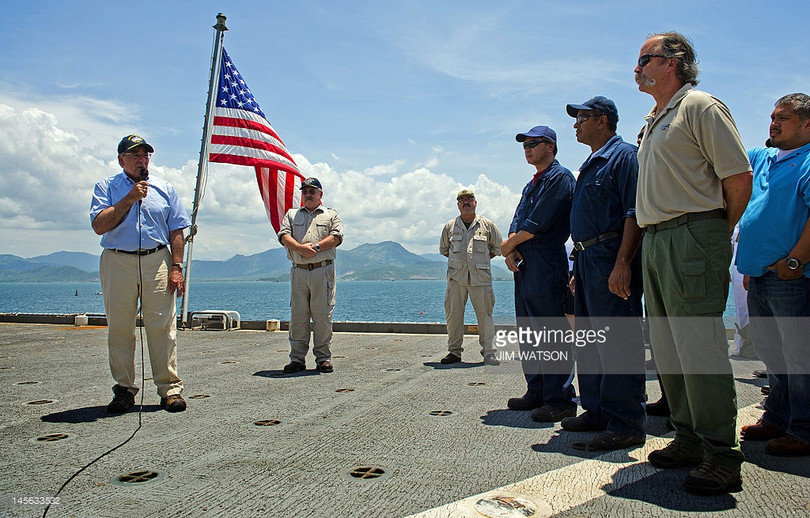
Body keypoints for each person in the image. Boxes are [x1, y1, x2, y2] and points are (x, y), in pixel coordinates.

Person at [633, 32, 752, 495]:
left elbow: (737, 178)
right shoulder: (655, 118)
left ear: (673, 62)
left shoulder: (700, 106)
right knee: (668, 348)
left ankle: (722, 455)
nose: (637, 68)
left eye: (645, 59)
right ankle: (687, 438)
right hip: (657, 238)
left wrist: (713, 234)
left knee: (700, 349)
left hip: (692, 233)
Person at [563, 96, 646, 451]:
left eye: (582, 117)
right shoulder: (592, 162)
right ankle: (597, 410)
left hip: (610, 256)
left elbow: (633, 212)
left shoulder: (624, 156)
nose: (576, 124)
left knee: (617, 343)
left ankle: (626, 423)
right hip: (586, 261)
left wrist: (623, 263)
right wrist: (576, 267)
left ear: (603, 121)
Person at [90, 135, 190, 414]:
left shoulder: (165, 188)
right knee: (120, 327)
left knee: (162, 327)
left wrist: (176, 267)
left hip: (157, 259)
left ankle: (169, 389)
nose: (141, 160)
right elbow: (99, 225)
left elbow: (177, 231)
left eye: (145, 155)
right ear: (121, 159)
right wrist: (130, 198)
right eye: (134, 155)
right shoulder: (106, 187)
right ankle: (124, 389)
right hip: (117, 261)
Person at [736, 93, 810, 457]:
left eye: (783, 118)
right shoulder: (762, 157)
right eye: (772, 116)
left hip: (790, 278)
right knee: (771, 353)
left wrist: (794, 262)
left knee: (799, 355)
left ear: (807, 124)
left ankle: (804, 429)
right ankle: (777, 417)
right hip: (758, 275)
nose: (773, 123)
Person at [501, 125, 577, 423]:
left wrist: (509, 244)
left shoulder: (560, 178)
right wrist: (510, 249)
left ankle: (559, 398)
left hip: (546, 259)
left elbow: (536, 223)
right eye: (524, 144)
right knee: (529, 331)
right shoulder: (531, 183)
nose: (527, 148)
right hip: (526, 262)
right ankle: (537, 390)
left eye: (534, 143)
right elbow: (518, 219)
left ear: (551, 146)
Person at [278, 177, 343, 374]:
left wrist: (314, 247)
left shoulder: (331, 215)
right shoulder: (291, 214)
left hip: (322, 271)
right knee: (298, 316)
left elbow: (337, 237)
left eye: (312, 191)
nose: (307, 194)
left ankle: (323, 358)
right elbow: (283, 236)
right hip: (299, 270)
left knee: (322, 315)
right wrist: (299, 248)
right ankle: (297, 359)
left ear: (320, 195)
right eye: (304, 191)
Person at [438, 189, 503, 366]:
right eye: (462, 200)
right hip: (456, 279)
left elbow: (498, 247)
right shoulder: (450, 226)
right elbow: (444, 250)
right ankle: (454, 352)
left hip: (480, 279)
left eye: (469, 199)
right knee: (453, 316)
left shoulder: (487, 225)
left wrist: (480, 260)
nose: (466, 202)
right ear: (458, 205)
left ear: (475, 202)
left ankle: (489, 353)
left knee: (485, 316)